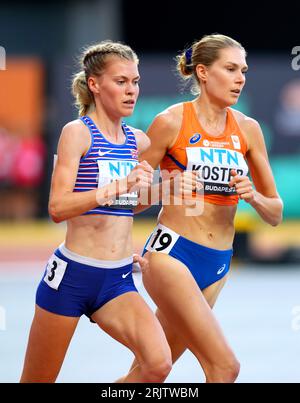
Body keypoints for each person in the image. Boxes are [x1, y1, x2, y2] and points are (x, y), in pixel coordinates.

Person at [129, 34, 283, 383]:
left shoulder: (248, 130)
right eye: (230, 69)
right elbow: (128, 199)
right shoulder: (171, 122)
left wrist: (254, 197)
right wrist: (164, 187)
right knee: (225, 367)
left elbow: (275, 212)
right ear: (202, 72)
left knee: (151, 371)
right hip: (171, 254)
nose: (240, 78)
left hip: (216, 264)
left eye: (243, 70)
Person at [20, 41, 173, 383]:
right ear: (94, 84)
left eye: (135, 81)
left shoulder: (138, 141)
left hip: (116, 280)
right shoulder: (77, 134)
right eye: (121, 81)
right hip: (72, 277)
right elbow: (57, 208)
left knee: (158, 364)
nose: (131, 90)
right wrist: (119, 185)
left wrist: (167, 189)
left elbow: (131, 205)